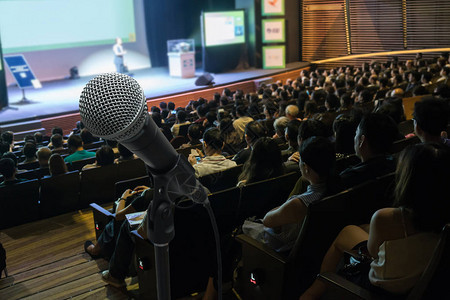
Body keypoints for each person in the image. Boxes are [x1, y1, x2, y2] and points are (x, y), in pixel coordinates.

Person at [301, 143, 450, 299]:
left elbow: (372, 252)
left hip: (382, 289)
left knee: (347, 236)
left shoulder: (386, 218)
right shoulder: (440, 217)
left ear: (409, 180)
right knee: (355, 230)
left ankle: (313, 291)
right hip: (423, 279)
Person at [262, 136, 338, 252]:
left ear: (306, 168)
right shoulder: (339, 187)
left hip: (280, 254)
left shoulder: (299, 204)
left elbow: (267, 220)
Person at [340, 113, 399, 189]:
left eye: (356, 133)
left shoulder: (346, 179)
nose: (354, 138)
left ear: (362, 140)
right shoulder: (398, 165)